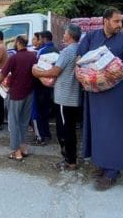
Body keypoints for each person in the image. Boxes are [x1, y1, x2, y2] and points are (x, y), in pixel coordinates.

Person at [78, 7, 123, 191]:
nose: (119, 24)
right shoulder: (91, 37)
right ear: (105, 21)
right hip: (96, 94)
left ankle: (112, 172)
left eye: (121, 21)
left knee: (115, 132)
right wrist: (79, 73)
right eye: (116, 21)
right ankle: (103, 165)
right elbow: (79, 57)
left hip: (116, 95)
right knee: (98, 131)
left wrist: (121, 74)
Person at [32, 24, 82, 171]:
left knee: (64, 131)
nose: (63, 35)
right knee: (70, 129)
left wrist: (37, 73)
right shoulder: (79, 49)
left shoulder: (67, 51)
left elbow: (55, 71)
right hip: (73, 97)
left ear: (70, 35)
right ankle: (70, 159)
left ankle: (70, 161)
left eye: (65, 33)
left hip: (64, 98)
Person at [0, 35, 37, 161]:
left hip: (16, 94)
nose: (14, 43)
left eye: (14, 41)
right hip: (29, 93)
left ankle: (16, 151)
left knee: (13, 123)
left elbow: (2, 74)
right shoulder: (33, 56)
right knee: (24, 122)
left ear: (18, 43)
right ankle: (24, 148)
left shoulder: (14, 57)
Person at [31, 30, 58, 145]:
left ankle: (41, 135)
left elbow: (37, 68)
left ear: (44, 39)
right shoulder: (57, 50)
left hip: (40, 84)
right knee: (46, 110)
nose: (39, 40)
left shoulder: (41, 51)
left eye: (40, 38)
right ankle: (47, 133)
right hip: (51, 85)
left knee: (38, 111)